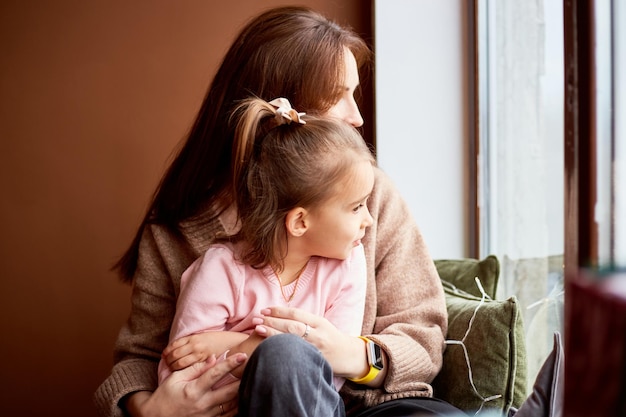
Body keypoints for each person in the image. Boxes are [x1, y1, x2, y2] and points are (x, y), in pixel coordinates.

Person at [94, 5, 460, 417]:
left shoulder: (371, 198)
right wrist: (150, 410)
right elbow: (137, 360)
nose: (356, 117)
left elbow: (423, 334)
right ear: (286, 106)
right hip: (236, 408)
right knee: (284, 358)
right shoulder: (178, 230)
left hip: (362, 405)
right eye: (339, 96)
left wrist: (349, 354)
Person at [157, 97, 374, 393]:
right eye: (356, 207)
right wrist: (277, 348)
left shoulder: (348, 263)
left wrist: (239, 343)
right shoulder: (221, 269)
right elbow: (183, 368)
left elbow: (331, 370)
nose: (369, 220)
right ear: (299, 222)